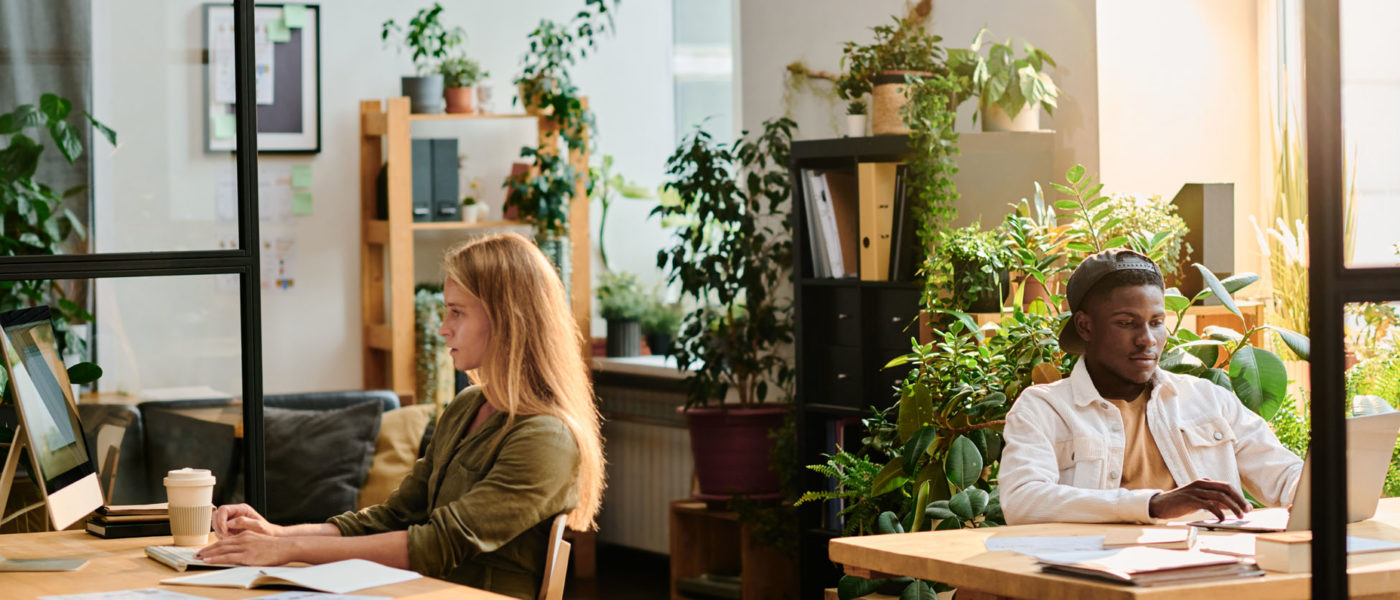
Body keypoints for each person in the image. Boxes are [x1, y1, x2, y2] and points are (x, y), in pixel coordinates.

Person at [198, 232, 606, 600]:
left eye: (457, 312)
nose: (443, 328)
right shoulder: (468, 405)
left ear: (508, 319)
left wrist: (290, 549)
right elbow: (395, 516)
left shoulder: (546, 439)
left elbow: (437, 544)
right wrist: (278, 534)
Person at [999, 248, 1302, 525]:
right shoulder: (1043, 409)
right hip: (1100, 575)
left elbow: (1286, 476)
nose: (1147, 339)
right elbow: (1023, 501)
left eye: (1156, 322)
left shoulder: (1208, 400)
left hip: (1213, 570)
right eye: (1127, 322)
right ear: (1085, 326)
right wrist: (1152, 504)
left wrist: (1336, 489)